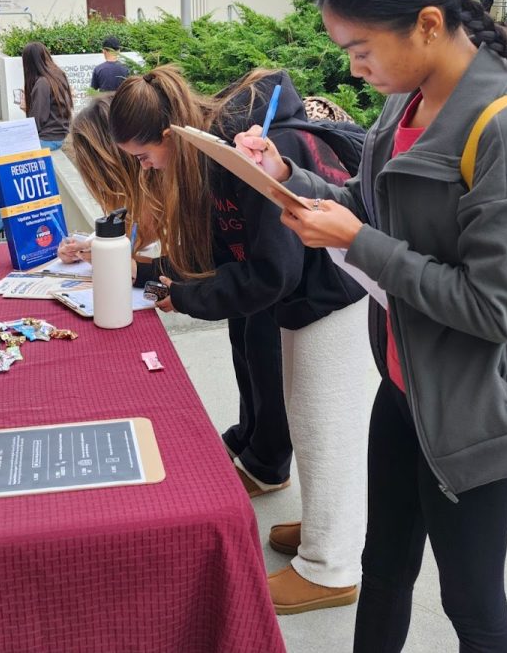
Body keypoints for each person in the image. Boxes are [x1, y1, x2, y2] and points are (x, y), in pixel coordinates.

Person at [237, 0, 507, 651]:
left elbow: (491, 305)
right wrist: (289, 178)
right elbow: (369, 204)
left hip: (473, 412)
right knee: (383, 567)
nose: (354, 69)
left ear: (430, 23)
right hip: (403, 385)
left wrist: (360, 243)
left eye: (360, 49)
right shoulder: (404, 102)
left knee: (470, 602)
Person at [109, 66, 371, 614]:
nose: (146, 168)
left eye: (143, 156)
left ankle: (332, 567)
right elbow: (226, 258)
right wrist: (161, 279)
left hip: (334, 296)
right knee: (307, 418)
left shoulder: (244, 154)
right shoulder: (207, 155)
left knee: (326, 430)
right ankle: (328, 526)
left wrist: (184, 298)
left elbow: (271, 272)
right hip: (307, 298)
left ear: (167, 136)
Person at [0, 41, 72, 235]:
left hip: (45, 139)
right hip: (57, 137)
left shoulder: (42, 83)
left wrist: (26, 110)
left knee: (13, 180)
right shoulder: (58, 76)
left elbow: (38, 120)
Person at [58, 94, 158, 263]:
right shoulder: (140, 188)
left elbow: (177, 269)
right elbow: (138, 233)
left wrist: (110, 257)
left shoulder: (164, 189)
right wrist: (91, 245)